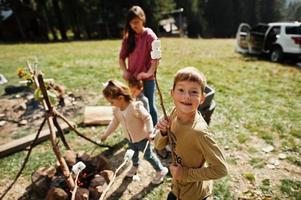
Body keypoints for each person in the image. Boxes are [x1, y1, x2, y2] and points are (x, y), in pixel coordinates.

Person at [154, 67, 228, 200]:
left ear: (202, 98)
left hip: (195, 195)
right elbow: (158, 145)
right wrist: (163, 132)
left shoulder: (199, 133)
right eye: (181, 90)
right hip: (177, 188)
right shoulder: (173, 113)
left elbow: (221, 169)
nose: (186, 96)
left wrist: (185, 174)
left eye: (194, 92)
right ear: (172, 93)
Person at [100, 80, 168, 184]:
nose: (111, 105)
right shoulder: (117, 110)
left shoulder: (136, 107)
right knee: (133, 154)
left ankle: (160, 170)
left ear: (120, 98)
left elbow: (147, 118)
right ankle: (135, 166)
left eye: (112, 102)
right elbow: (114, 123)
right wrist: (106, 134)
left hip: (142, 138)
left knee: (148, 156)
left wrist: (150, 132)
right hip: (130, 139)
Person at [119, 5, 159, 126]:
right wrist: (125, 71)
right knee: (136, 104)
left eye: (136, 22)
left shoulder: (150, 36)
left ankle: (155, 131)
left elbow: (156, 58)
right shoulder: (128, 38)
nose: (134, 25)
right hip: (133, 80)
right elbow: (121, 58)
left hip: (147, 79)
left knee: (149, 104)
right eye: (131, 23)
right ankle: (143, 129)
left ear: (143, 19)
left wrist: (148, 73)